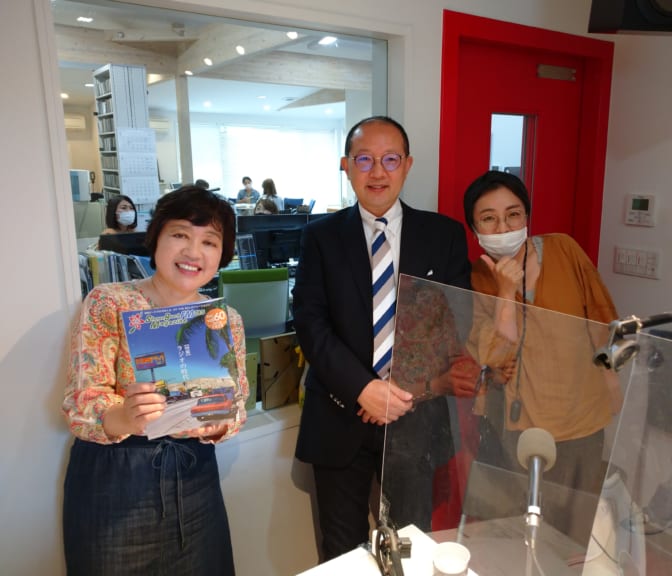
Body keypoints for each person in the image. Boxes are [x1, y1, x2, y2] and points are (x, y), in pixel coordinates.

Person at [292, 115, 472, 561]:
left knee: (410, 547)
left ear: (407, 165)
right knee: (342, 553)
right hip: (339, 416)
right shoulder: (319, 237)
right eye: (364, 160)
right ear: (346, 166)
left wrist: (401, 390)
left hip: (416, 413)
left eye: (390, 159)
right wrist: (364, 389)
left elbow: (456, 321)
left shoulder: (444, 235)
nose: (377, 172)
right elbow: (311, 324)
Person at [62, 185, 249, 575]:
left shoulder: (224, 320)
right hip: (116, 480)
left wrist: (218, 424)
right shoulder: (109, 302)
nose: (193, 252)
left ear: (223, 254)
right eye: (180, 234)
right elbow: (82, 401)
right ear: (156, 237)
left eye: (209, 242)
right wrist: (124, 417)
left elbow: (237, 404)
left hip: (196, 478)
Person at [461, 170, 623, 545]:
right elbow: (494, 353)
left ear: (527, 217)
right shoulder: (480, 276)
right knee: (513, 532)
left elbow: (602, 319)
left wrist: (611, 381)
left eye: (513, 214)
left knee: (571, 533)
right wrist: (505, 292)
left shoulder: (564, 250)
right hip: (516, 422)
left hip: (579, 416)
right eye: (489, 218)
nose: (503, 227)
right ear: (474, 229)